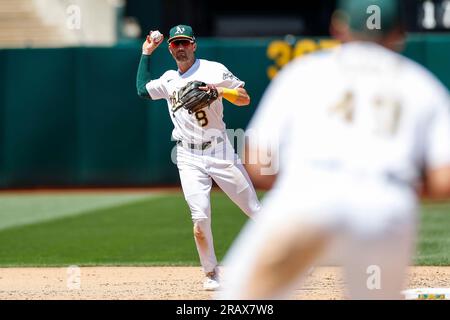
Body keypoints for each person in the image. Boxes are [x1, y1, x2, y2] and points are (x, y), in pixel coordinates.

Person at [218, 0, 450, 299]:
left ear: (337, 26)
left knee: (240, 299)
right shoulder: (423, 85)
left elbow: (257, 162)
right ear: (399, 33)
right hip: (384, 207)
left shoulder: (304, 72)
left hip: (308, 194)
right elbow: (443, 181)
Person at [136, 25, 261, 291]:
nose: (180, 48)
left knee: (254, 209)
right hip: (187, 155)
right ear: (170, 48)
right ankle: (211, 273)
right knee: (200, 218)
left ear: (194, 45)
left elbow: (244, 98)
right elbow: (142, 90)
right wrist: (146, 53)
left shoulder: (213, 69)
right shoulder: (168, 79)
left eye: (185, 43)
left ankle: (291, 255)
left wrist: (219, 90)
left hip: (219, 150)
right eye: (175, 44)